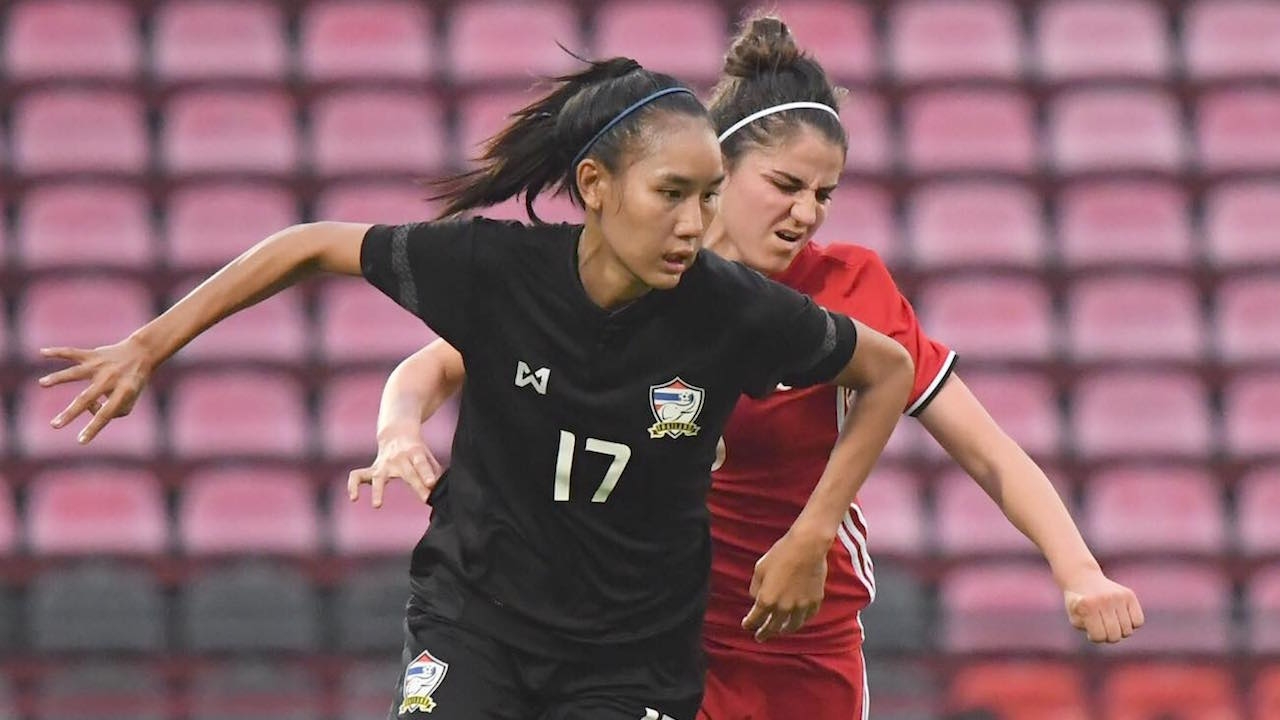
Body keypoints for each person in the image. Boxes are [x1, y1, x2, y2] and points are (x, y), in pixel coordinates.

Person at [38, 55, 915, 720]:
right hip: (479, 621)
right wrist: (148, 346)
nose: (694, 224)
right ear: (596, 186)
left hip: (631, 661)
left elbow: (887, 372)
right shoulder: (493, 270)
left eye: (709, 197)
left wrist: (812, 532)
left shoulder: (732, 308)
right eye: (671, 194)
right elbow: (309, 244)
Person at [362, 16, 1145, 720]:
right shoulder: (639, 272)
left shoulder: (851, 291)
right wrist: (398, 431)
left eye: (824, 194)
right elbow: (438, 365)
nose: (806, 213)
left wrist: (1080, 572)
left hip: (799, 639)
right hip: (643, 637)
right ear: (717, 167)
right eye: (785, 185)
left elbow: (986, 449)